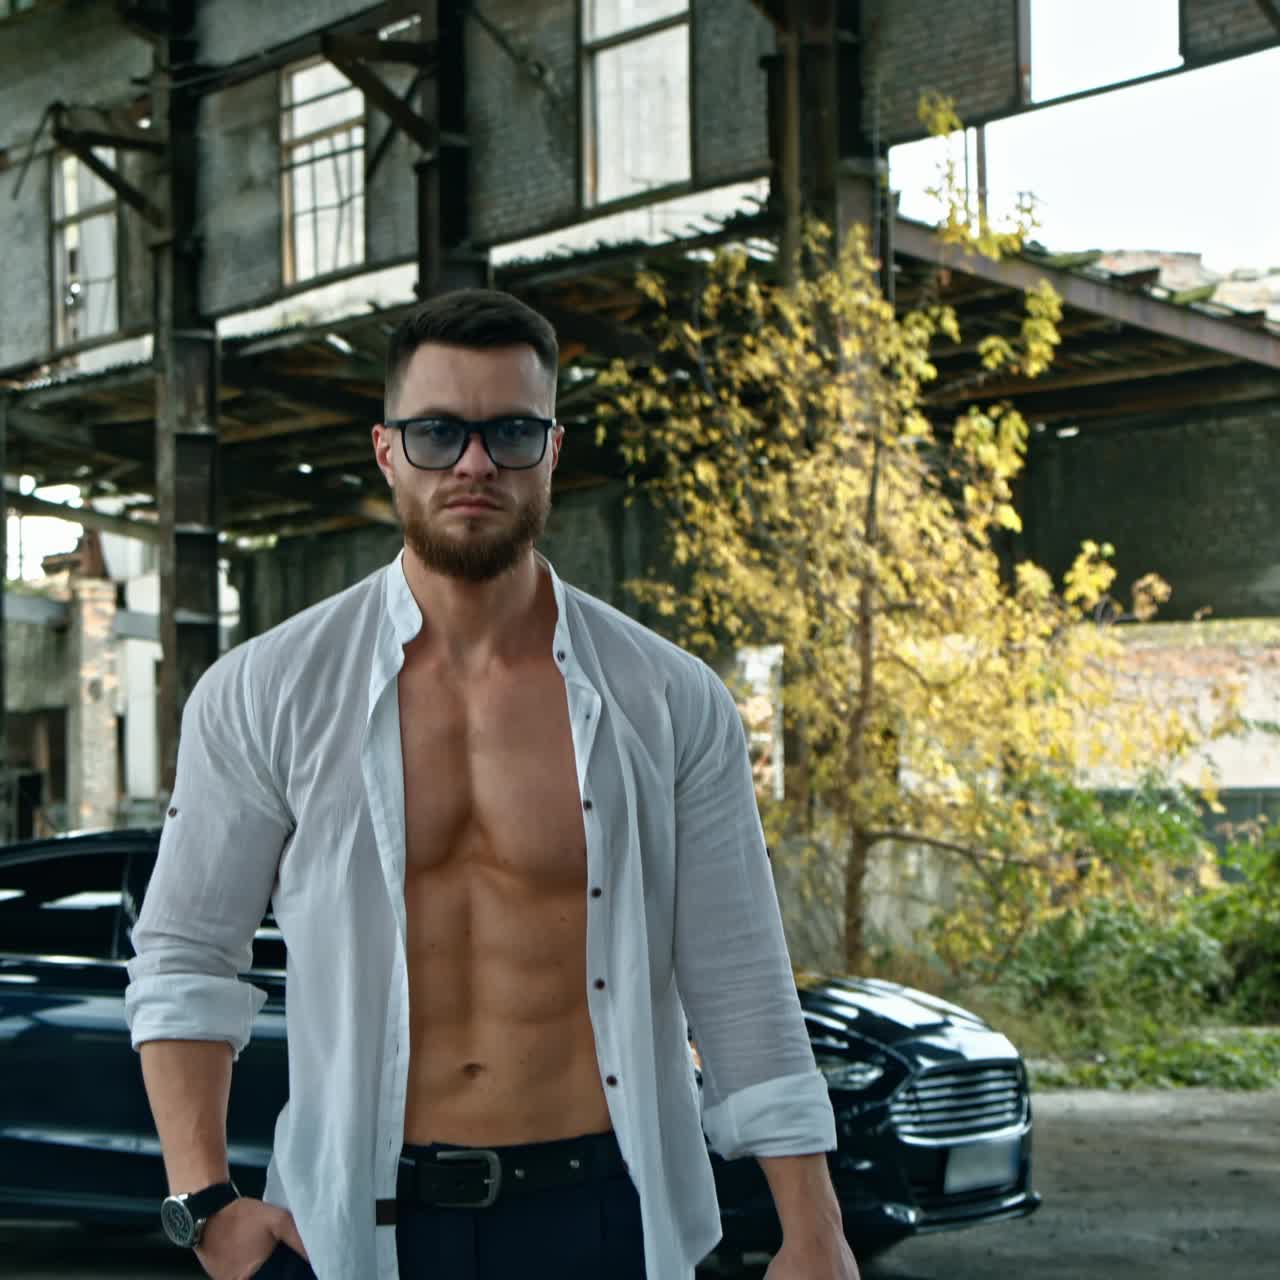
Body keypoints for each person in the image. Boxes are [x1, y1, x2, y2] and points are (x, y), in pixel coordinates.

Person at [125, 288, 860, 1280]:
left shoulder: (668, 697)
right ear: (386, 450)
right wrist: (204, 1200)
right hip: (351, 1220)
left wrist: (813, 1227)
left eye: (510, 430)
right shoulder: (266, 689)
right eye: (438, 432)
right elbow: (185, 955)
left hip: (602, 1211)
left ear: (551, 449)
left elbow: (736, 974)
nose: (473, 462)